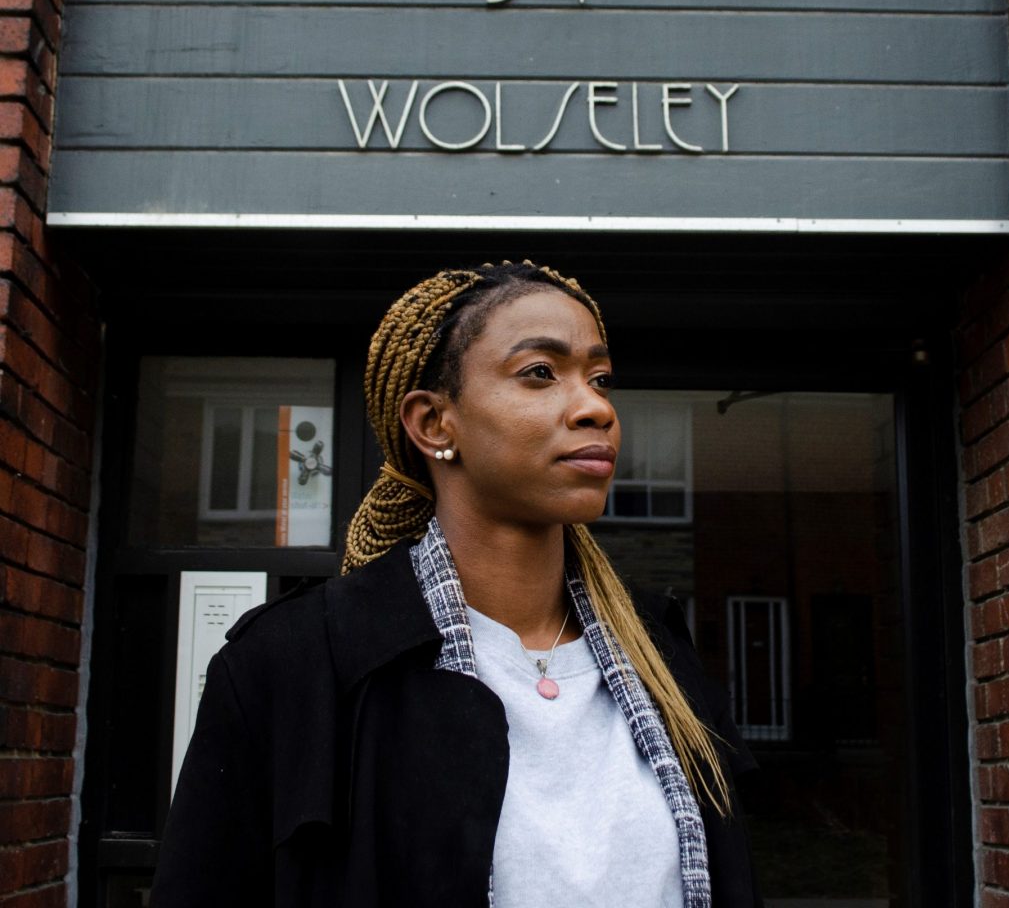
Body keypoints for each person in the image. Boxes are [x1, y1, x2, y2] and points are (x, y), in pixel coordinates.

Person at [151, 260, 762, 908]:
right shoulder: (296, 664)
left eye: (600, 377)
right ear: (434, 423)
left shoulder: (659, 649)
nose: (596, 408)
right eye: (540, 373)